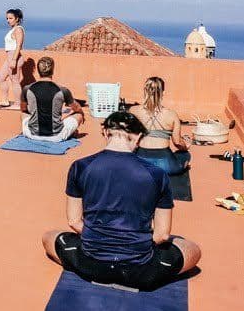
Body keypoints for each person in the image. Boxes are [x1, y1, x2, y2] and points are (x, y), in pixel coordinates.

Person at [41, 111, 201, 290]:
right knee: (192, 249)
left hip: (91, 264)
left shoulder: (80, 166)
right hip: (139, 271)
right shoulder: (156, 174)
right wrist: (132, 242)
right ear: (138, 136)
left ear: (105, 133)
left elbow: (74, 221)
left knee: (49, 237)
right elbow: (163, 234)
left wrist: (101, 238)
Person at [131, 77, 190, 175]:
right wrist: (186, 147)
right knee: (185, 155)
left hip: (140, 163)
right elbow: (177, 142)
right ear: (163, 92)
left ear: (145, 91)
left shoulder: (133, 111)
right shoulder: (171, 114)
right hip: (165, 165)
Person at [20, 56, 84, 142]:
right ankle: (70, 132)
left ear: (38, 71)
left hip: (32, 134)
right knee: (79, 115)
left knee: (23, 114)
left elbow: (23, 109)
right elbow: (77, 108)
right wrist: (82, 113)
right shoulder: (63, 90)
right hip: (57, 136)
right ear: (52, 70)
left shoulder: (26, 89)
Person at [0, 8, 25, 108]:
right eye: (7, 18)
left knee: (15, 80)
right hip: (9, 57)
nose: (8, 20)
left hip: (14, 57)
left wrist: (14, 60)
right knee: (1, 76)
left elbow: (18, 45)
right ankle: (5, 101)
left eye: (11, 18)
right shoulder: (13, 29)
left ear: (17, 19)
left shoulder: (18, 29)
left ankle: (18, 104)